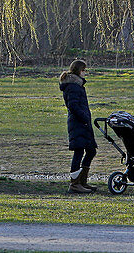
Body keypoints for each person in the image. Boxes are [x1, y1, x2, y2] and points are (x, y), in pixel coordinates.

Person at [59, 59, 98, 194]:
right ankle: (75, 183)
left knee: (91, 150)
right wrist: (84, 117)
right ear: (78, 71)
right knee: (79, 151)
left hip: (82, 123)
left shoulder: (77, 85)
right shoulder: (73, 86)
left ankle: (82, 181)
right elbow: (73, 105)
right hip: (78, 123)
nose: (85, 73)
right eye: (83, 70)